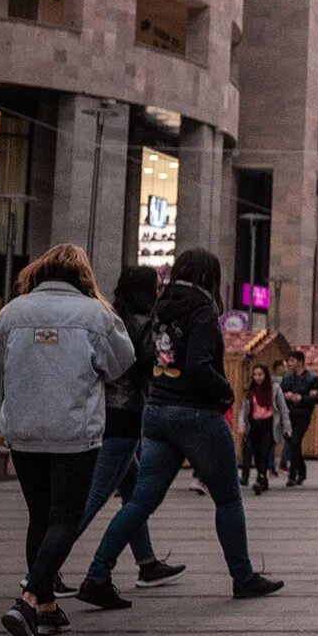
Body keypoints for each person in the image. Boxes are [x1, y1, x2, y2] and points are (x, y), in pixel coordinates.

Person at [76, 248, 281, 607]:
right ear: (208, 277)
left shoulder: (160, 308)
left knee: (140, 501)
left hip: (156, 413)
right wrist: (225, 391)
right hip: (196, 415)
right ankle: (243, 576)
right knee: (228, 498)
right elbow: (200, 366)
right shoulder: (201, 311)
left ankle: (97, 574)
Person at [0, 244, 135, 636]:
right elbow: (122, 363)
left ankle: (48, 605)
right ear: (83, 275)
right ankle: (29, 600)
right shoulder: (96, 314)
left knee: (40, 515)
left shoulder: (13, 311)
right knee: (65, 518)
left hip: (23, 428)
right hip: (75, 430)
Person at [74, 267, 185, 611]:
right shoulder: (141, 322)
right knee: (93, 496)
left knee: (135, 492)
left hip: (108, 411)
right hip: (124, 417)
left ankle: (147, 564)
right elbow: (161, 359)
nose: (160, 291)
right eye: (157, 286)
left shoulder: (114, 316)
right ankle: (42, 568)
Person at [239, 363, 286, 496]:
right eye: (255, 375)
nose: (257, 377)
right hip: (254, 425)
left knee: (265, 451)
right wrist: (241, 424)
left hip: (268, 425)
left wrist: (286, 427)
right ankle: (263, 479)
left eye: (260, 374)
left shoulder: (274, 389)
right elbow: (244, 409)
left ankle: (260, 478)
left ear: (266, 375)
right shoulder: (250, 390)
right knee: (257, 453)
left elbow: (282, 409)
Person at [278, 351, 318, 487]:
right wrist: (286, 395)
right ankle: (301, 470)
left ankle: (292, 475)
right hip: (289, 414)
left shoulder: (312, 378)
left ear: (300, 362)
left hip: (303, 414)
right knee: (292, 443)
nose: (289, 364)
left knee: (295, 441)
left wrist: (303, 398)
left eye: (292, 361)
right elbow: (280, 394)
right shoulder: (287, 378)